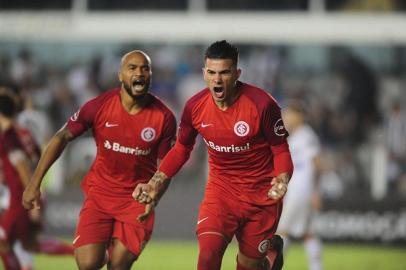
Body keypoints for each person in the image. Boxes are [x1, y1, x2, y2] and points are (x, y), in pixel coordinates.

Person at [134, 40, 294, 270]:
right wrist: (154, 183)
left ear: (237, 73)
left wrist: (282, 179)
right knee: (208, 254)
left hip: (261, 197)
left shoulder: (262, 105)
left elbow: (280, 150)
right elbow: (181, 149)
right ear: (204, 73)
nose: (217, 80)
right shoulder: (195, 107)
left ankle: (268, 257)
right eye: (211, 72)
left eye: (224, 73)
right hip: (221, 193)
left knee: (249, 265)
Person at [22, 50, 177, 270]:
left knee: (119, 266)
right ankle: (101, 253)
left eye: (145, 68)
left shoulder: (164, 118)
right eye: (132, 68)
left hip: (136, 200)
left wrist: (155, 194)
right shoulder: (99, 106)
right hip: (100, 195)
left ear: (150, 75)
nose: (139, 73)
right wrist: (34, 184)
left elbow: (166, 166)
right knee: (87, 264)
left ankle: (110, 255)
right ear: (120, 75)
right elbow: (62, 136)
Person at [0, 92, 74, 270]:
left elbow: (21, 165)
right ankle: (77, 251)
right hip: (29, 195)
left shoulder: (9, 137)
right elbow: (35, 157)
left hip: (21, 198)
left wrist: (32, 199)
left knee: (4, 242)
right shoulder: (24, 133)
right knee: (29, 245)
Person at [276, 101, 323, 270]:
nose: (286, 117)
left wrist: (316, 192)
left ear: (299, 116)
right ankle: (316, 267)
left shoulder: (306, 136)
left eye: (289, 114)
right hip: (302, 192)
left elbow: (317, 164)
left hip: (300, 192)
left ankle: (273, 266)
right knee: (309, 233)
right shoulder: (295, 136)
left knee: (281, 231)